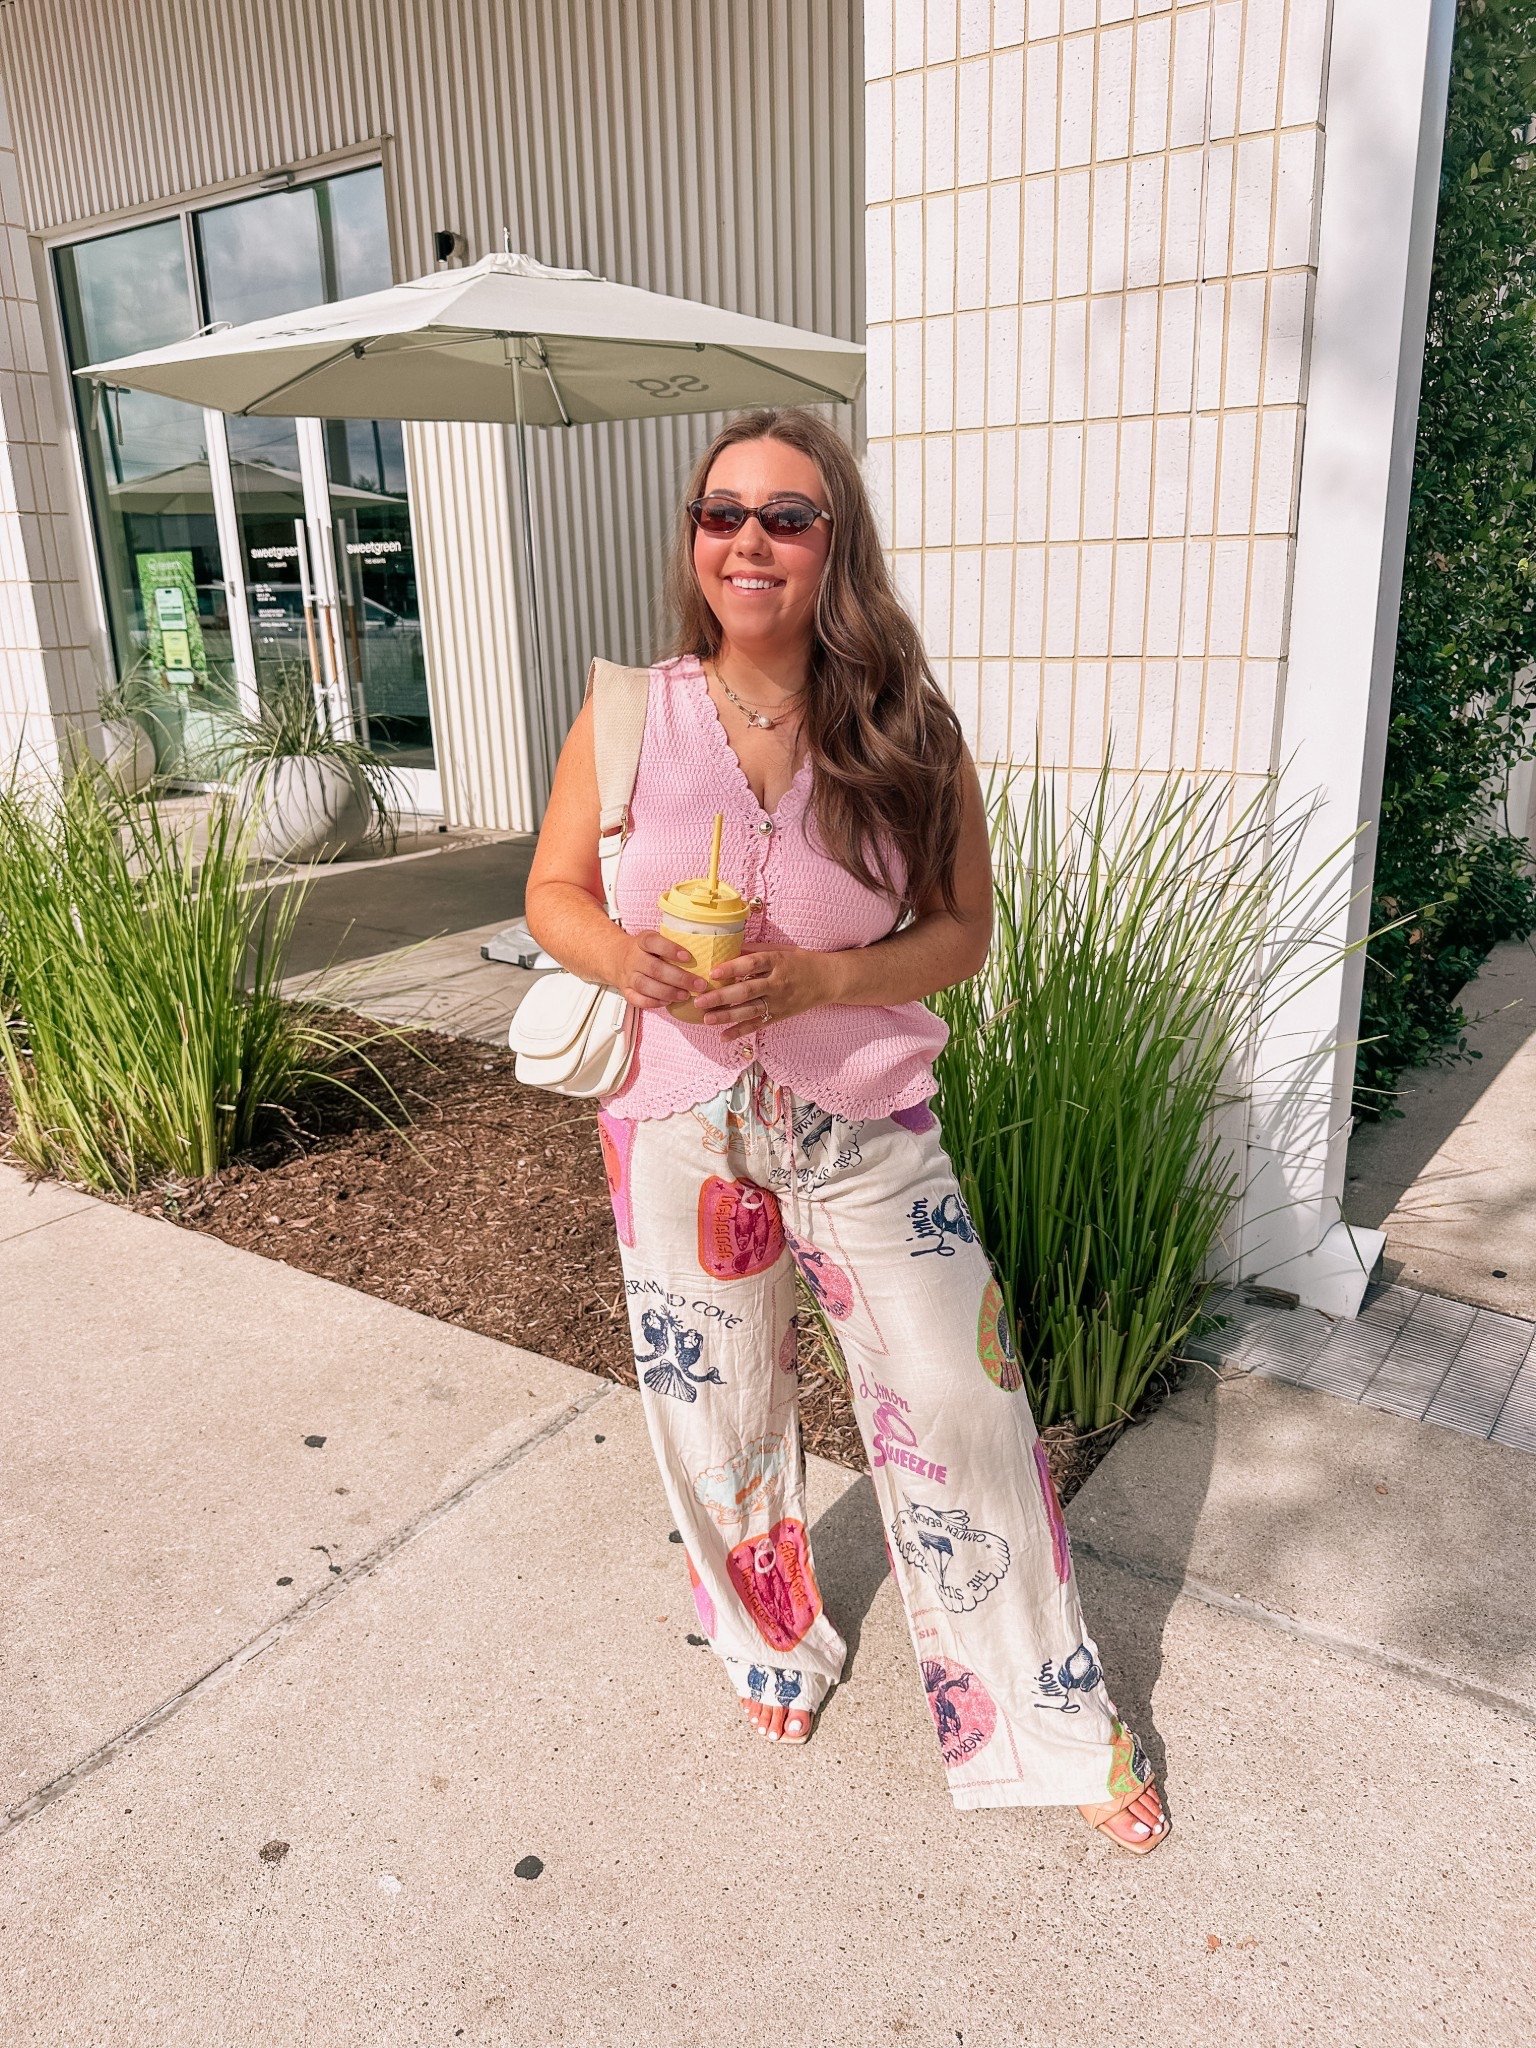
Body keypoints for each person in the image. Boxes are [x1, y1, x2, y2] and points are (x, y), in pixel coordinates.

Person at [524, 408, 1169, 1853]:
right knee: (717, 1408)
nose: (747, 539)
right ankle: (770, 1639)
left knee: (961, 1397)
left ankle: (1047, 1715)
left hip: (865, 1116)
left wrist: (821, 980)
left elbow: (961, 937)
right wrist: (621, 959)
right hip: (677, 1118)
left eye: (787, 516)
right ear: (695, 540)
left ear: (836, 546)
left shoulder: (906, 726)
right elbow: (553, 889)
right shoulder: (630, 710)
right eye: (722, 512)